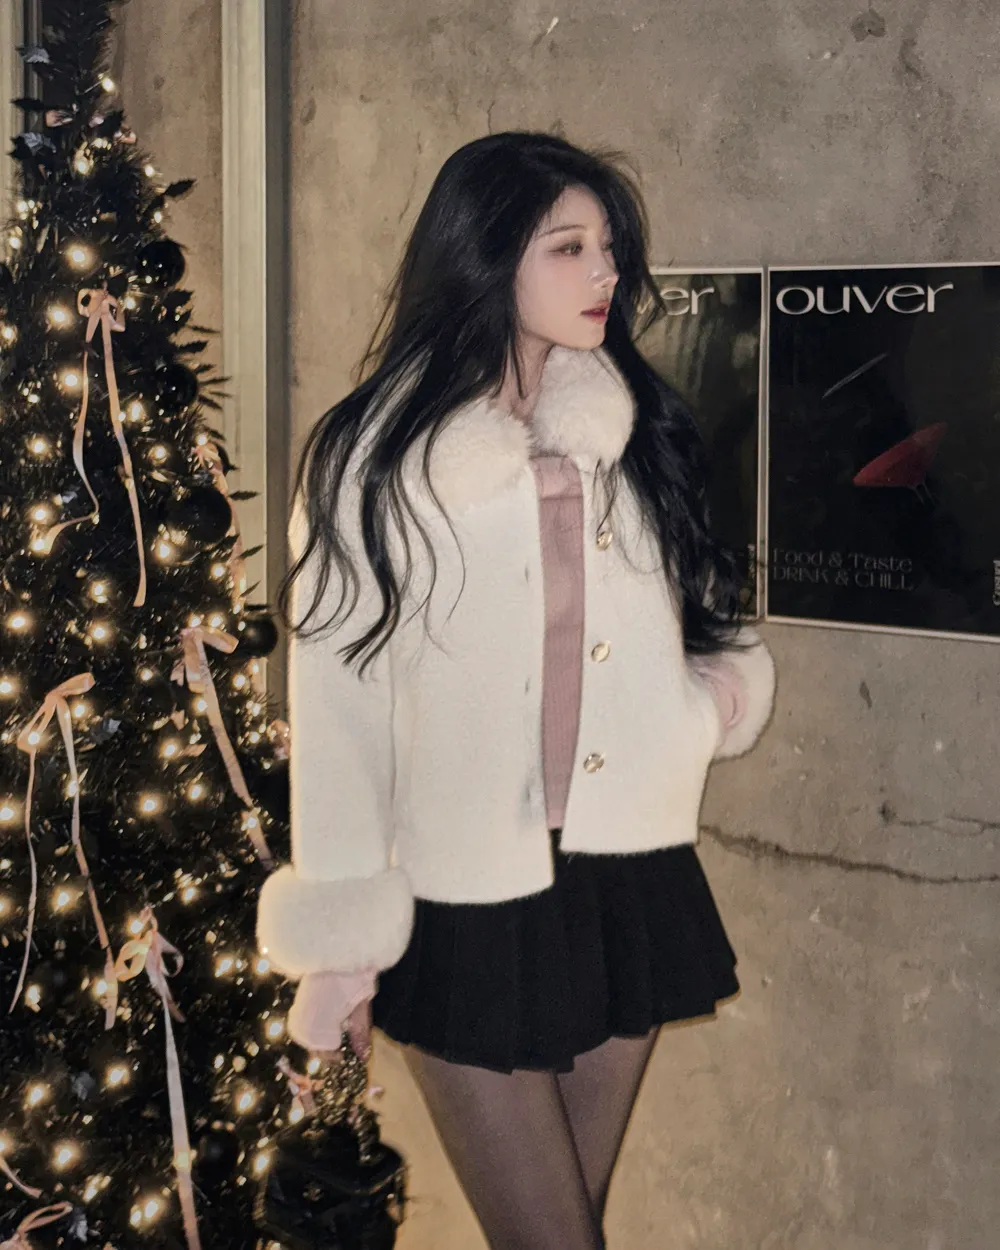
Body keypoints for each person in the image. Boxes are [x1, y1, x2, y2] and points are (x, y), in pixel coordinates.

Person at [257, 131, 775, 1250]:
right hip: (466, 900)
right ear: (487, 256)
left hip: (623, 877)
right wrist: (342, 951)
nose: (606, 274)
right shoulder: (373, 458)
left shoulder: (626, 429)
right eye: (569, 247)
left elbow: (702, 604)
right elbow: (340, 709)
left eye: (610, 248)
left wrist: (709, 701)